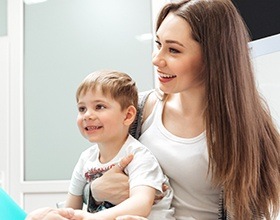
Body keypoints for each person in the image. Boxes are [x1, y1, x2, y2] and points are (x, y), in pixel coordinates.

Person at [26, 0, 280, 219]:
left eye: (173, 50)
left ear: (213, 56)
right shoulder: (139, 109)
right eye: (158, 44)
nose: (156, 59)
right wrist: (93, 191)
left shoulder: (248, 129)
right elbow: (95, 171)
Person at [65, 70, 174, 219]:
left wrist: (93, 217)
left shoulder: (138, 156)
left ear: (128, 115)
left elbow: (141, 205)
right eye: (82, 108)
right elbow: (69, 208)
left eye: (99, 107)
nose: (87, 115)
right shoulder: (85, 159)